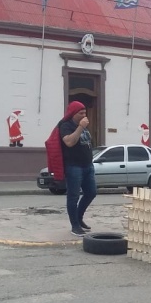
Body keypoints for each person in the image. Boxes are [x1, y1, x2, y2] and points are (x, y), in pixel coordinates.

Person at [59, 101, 97, 236]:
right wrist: (80, 127)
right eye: (81, 113)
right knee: (73, 196)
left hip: (87, 165)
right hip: (74, 166)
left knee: (91, 192)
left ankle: (79, 218)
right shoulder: (66, 126)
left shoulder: (84, 127)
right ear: (73, 114)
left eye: (85, 113)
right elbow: (69, 142)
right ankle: (75, 226)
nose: (84, 115)